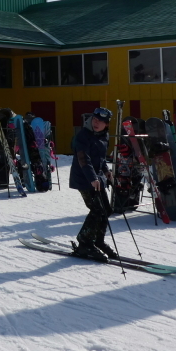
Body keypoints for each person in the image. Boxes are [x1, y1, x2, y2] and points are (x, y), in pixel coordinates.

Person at [69, 107, 115, 262]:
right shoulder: (83, 135)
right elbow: (84, 159)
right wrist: (92, 178)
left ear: (106, 124)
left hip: (97, 177)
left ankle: (98, 240)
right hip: (84, 178)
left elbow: (100, 158)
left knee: (106, 210)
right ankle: (84, 242)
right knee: (96, 210)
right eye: (95, 120)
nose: (96, 123)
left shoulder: (104, 135)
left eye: (101, 121)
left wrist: (106, 171)